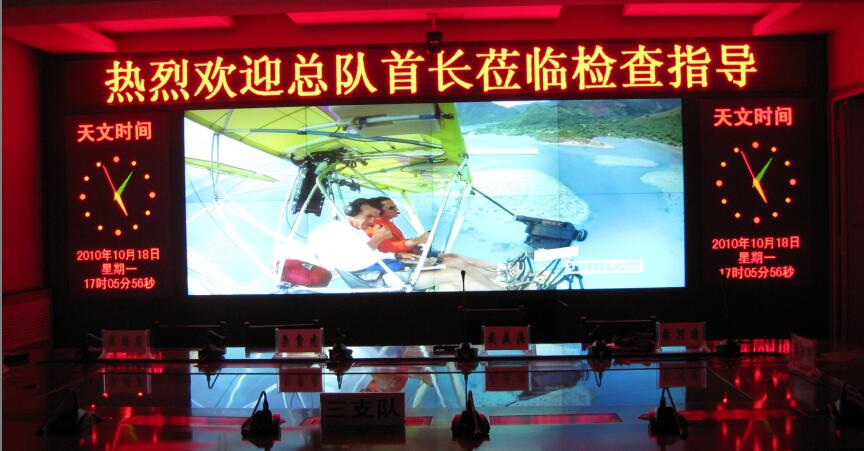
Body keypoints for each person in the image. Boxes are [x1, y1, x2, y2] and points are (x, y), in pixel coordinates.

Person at [310, 198, 502, 291]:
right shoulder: (332, 232)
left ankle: (499, 286)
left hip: (388, 268)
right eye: (368, 216)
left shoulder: (356, 231)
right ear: (351, 213)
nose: (372, 222)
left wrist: (397, 254)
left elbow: (374, 254)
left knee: (455, 262)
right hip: (377, 279)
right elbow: (354, 261)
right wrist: (377, 239)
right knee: (453, 273)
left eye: (374, 217)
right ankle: (498, 298)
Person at [365, 196, 499, 273]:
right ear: (379, 211)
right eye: (392, 208)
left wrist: (409, 246)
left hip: (409, 254)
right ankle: (495, 271)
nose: (396, 209)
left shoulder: (387, 222)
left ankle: (497, 268)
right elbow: (385, 248)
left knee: (453, 257)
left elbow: (392, 245)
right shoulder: (377, 225)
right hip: (402, 260)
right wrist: (416, 242)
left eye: (395, 206)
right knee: (454, 261)